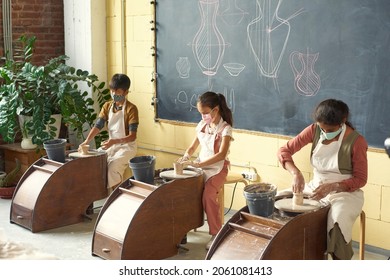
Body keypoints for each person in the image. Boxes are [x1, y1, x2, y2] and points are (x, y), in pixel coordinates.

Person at [277, 99, 368, 260]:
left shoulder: (356, 142)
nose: (325, 131)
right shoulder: (314, 130)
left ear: (343, 121)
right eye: (322, 127)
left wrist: (333, 186)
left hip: (345, 193)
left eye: (330, 129)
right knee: (278, 200)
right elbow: (284, 150)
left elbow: (360, 179)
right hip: (315, 186)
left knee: (337, 221)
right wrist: (296, 173)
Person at [178, 91, 234, 250]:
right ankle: (182, 230)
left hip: (218, 169)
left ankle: (216, 233)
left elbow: (221, 155)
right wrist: (186, 156)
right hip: (200, 164)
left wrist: (198, 166)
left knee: (208, 196)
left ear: (215, 110)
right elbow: (193, 146)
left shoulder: (225, 129)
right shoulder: (202, 125)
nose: (203, 116)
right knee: (184, 191)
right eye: (201, 113)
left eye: (205, 113)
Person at [79, 73, 139, 194]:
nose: (114, 95)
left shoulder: (131, 109)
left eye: (118, 93)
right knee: (96, 163)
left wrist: (114, 142)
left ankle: (117, 198)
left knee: (112, 168)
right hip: (111, 145)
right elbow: (98, 126)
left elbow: (133, 136)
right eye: (112, 91)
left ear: (126, 92)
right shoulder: (107, 106)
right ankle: (99, 197)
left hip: (127, 147)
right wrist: (86, 141)